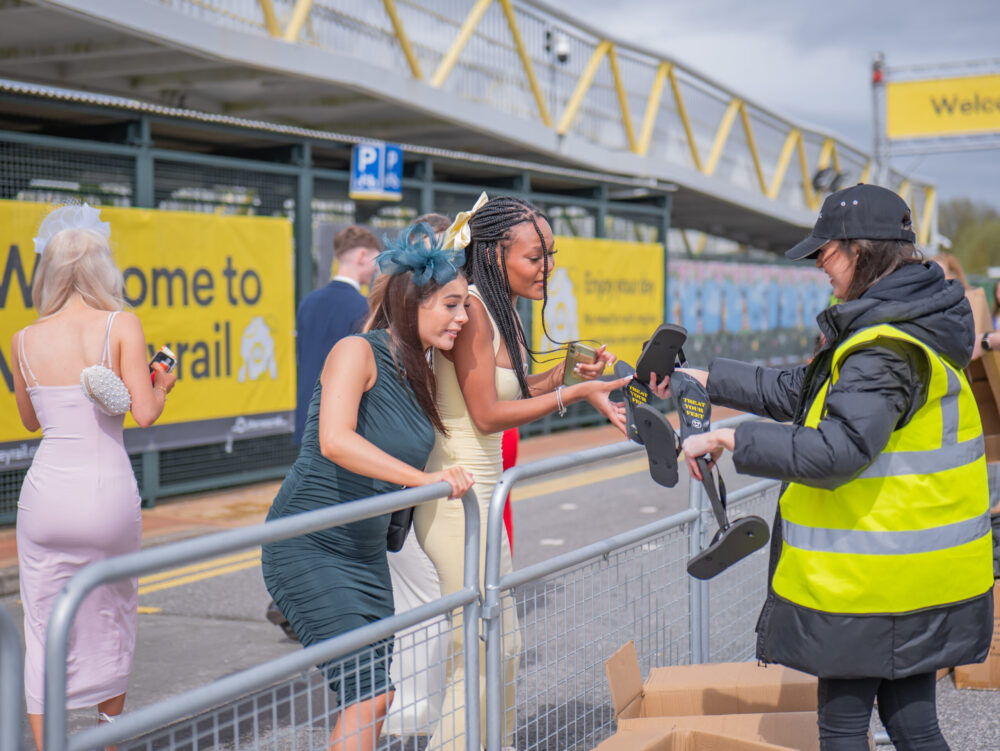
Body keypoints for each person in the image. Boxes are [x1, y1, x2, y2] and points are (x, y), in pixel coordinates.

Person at [654, 184, 994, 751]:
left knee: (842, 727)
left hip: (871, 585)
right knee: (913, 726)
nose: (819, 267)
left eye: (824, 253)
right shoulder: (906, 326)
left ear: (860, 252)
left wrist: (731, 438)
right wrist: (710, 383)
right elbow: (805, 391)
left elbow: (836, 451)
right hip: (911, 576)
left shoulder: (883, 347)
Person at [413, 194, 630, 751]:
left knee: (501, 648)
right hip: (455, 493)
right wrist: (575, 392)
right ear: (492, 252)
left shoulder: (498, 305)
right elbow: (486, 414)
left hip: (483, 495)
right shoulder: (475, 308)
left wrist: (565, 375)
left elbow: (507, 390)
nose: (548, 268)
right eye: (536, 257)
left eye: (551, 255)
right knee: (476, 651)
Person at [261, 224, 474, 751]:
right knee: (370, 695)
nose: (463, 317)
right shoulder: (357, 351)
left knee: (375, 696)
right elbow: (335, 440)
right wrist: (426, 481)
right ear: (413, 303)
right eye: (452, 304)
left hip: (365, 555)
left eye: (464, 305)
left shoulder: (419, 369)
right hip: (309, 546)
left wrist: (573, 387)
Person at [10, 205, 177, 750]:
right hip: (106, 493)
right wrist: (163, 382)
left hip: (45, 498)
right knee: (112, 612)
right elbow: (144, 413)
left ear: (48, 275)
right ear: (104, 271)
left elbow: (30, 420)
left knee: (41, 625)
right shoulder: (120, 324)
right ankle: (107, 739)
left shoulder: (23, 339)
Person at [293, 225, 379, 444]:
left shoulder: (307, 302)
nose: (375, 269)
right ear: (361, 256)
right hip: (342, 420)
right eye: (374, 260)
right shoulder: (363, 308)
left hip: (307, 415)